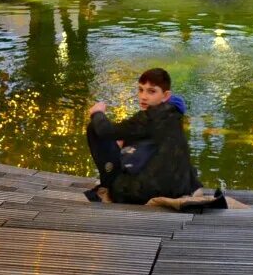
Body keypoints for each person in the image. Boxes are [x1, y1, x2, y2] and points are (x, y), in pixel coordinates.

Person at [85, 67, 201, 204]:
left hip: (146, 192)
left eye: (151, 91)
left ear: (165, 95)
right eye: (141, 90)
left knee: (94, 127)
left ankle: (109, 182)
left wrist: (97, 113)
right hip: (180, 188)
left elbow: (105, 131)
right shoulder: (174, 115)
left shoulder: (149, 118)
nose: (143, 96)